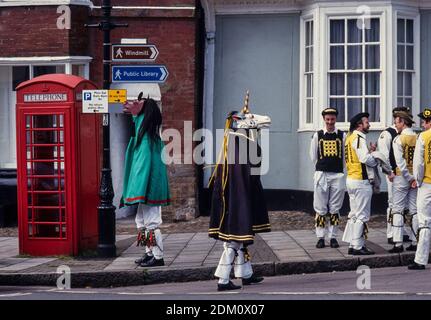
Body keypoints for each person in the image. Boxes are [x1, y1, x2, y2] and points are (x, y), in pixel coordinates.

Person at [208, 95, 271, 291]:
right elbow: (252, 168)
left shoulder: (235, 143)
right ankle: (223, 279)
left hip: (239, 196)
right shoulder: (240, 145)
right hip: (237, 198)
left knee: (242, 238)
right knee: (234, 240)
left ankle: (245, 273)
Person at [120, 95, 171, 268]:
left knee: (151, 222)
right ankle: (149, 253)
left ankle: (158, 256)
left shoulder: (148, 141)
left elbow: (143, 169)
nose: (134, 104)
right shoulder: (147, 137)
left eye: (139, 103)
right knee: (141, 222)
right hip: (146, 187)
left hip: (149, 188)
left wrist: (139, 189)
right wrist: (135, 115)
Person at [309, 107, 345, 249]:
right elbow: (313, 156)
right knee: (320, 208)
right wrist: (321, 167)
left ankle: (333, 237)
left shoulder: (342, 135)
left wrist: (340, 170)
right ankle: (320, 237)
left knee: (335, 208)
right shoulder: (317, 135)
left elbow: (344, 156)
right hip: (322, 174)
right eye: (328, 119)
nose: (330, 122)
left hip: (337, 174)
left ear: (336, 119)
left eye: (332, 119)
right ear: (324, 119)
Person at [342, 112, 378, 255]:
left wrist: (369, 151)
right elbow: (364, 159)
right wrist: (375, 158)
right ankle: (357, 246)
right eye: (366, 122)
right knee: (362, 215)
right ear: (359, 125)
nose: (369, 124)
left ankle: (353, 244)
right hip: (360, 181)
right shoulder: (358, 138)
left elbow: (357, 157)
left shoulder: (350, 138)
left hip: (351, 179)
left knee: (355, 214)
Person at [377, 107, 412, 244]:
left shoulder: (405, 133)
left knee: (403, 205)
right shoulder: (388, 133)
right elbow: (384, 155)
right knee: (393, 203)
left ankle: (400, 230)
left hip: (404, 174)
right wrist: (389, 172)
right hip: (393, 173)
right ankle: (391, 233)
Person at [389, 111, 418, 253]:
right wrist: (415, 178)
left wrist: (408, 177)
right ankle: (415, 241)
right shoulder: (417, 137)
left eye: (397, 122)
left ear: (403, 122)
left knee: (398, 209)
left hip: (402, 177)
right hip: (415, 177)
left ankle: (398, 243)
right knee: (414, 210)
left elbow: (400, 163)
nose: (396, 125)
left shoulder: (398, 139)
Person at [408, 109, 431, 270]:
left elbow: (419, 164)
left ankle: (421, 260)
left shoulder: (423, 137)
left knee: (424, 222)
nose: (423, 125)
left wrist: (418, 179)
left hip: (427, 184)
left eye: (424, 122)